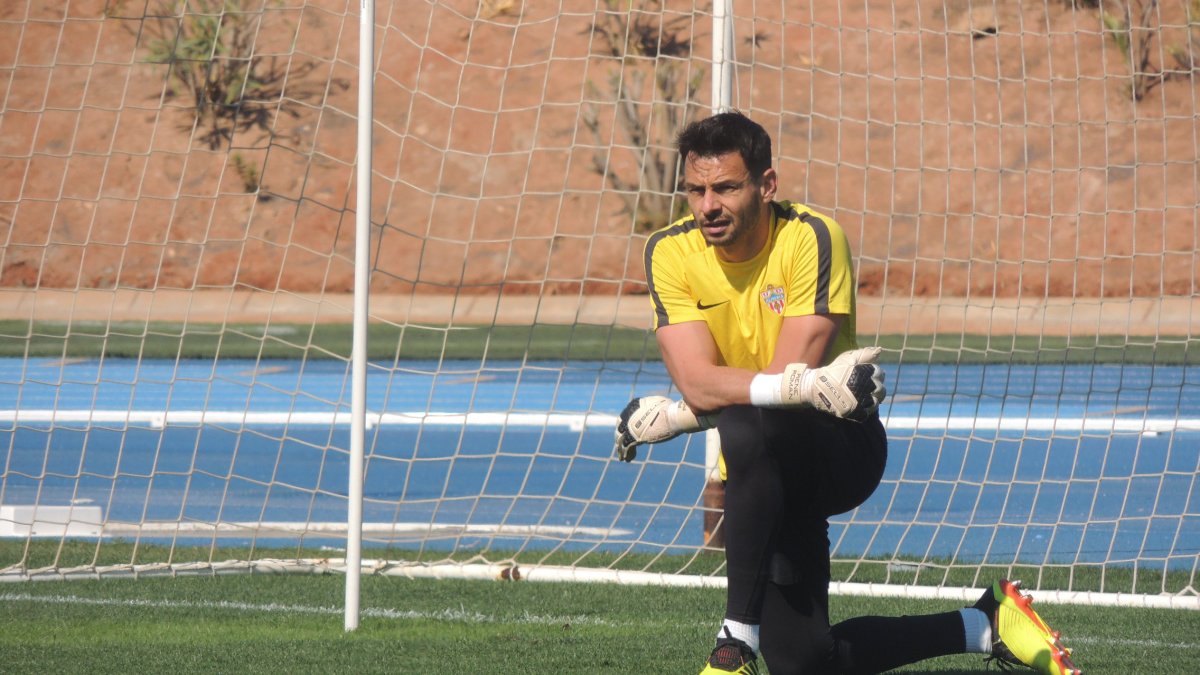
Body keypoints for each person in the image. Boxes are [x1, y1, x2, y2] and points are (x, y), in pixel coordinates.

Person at [613, 111, 1080, 675]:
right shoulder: (669, 251)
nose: (708, 205)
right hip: (757, 477)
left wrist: (679, 417)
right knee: (806, 662)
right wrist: (699, 403)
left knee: (747, 419)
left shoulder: (811, 237)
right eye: (696, 190)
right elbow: (697, 380)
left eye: (727, 188)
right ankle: (986, 623)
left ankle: (734, 641)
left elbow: (782, 384)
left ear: (767, 184)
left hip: (837, 448)